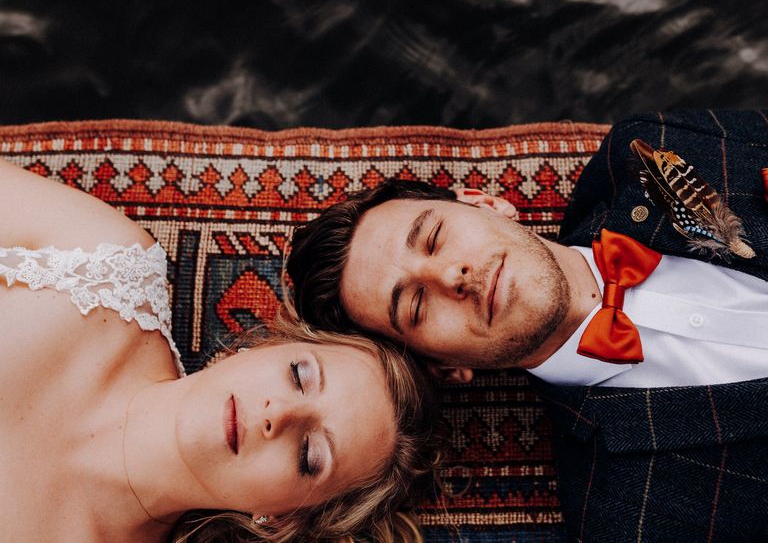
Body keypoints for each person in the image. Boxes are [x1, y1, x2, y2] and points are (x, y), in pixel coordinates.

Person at [286, 109, 768, 541]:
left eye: (434, 238)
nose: (451, 276)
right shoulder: (628, 516)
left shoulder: (651, 146)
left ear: (486, 203)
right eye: (415, 305)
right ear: (445, 369)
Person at [0, 157, 440, 542]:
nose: (279, 415)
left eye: (310, 455)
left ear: (281, 519)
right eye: (299, 375)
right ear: (259, 346)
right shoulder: (105, 262)